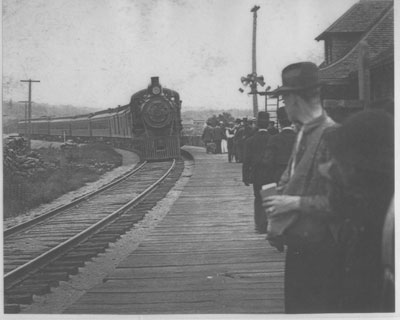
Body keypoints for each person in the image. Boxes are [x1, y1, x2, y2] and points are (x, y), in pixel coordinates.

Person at [262, 62, 340, 313]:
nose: (284, 106)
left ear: (295, 99)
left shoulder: (333, 136)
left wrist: (293, 203)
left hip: (324, 252)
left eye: (284, 98)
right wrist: (278, 219)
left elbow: (342, 203)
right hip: (299, 248)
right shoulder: (304, 133)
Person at [322, 109, 394, 313]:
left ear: (358, 169)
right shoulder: (364, 215)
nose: (332, 171)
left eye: (340, 162)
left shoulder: (382, 225)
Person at [242, 112, 274, 234]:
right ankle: (269, 223)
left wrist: (245, 177)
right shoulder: (273, 139)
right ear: (268, 124)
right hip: (271, 173)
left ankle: (260, 225)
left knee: (258, 198)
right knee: (270, 197)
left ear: (257, 124)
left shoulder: (250, 140)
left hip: (256, 174)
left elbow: (246, 161)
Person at [262, 107, 296, 183]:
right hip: (296, 177)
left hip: (278, 177)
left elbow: (268, 161)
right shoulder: (299, 138)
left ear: (279, 122)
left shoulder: (274, 139)